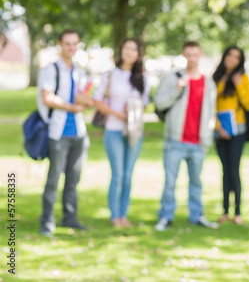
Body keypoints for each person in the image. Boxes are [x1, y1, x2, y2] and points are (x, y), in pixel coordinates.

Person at [154, 41, 218, 231]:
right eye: (188, 55)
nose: (191, 59)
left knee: (196, 182)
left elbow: (210, 111)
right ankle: (166, 216)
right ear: (183, 55)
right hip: (176, 140)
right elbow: (159, 103)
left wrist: (207, 136)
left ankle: (197, 215)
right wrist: (177, 90)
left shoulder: (208, 82)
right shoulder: (173, 78)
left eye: (195, 55)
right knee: (170, 182)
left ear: (201, 55)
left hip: (198, 142)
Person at [37, 29, 94, 237]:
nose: (71, 47)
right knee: (53, 180)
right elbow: (48, 98)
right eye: (68, 43)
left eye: (75, 44)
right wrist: (72, 107)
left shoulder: (79, 70)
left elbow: (84, 99)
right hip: (58, 132)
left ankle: (69, 217)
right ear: (60, 44)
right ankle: (47, 221)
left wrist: (85, 101)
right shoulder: (50, 70)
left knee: (73, 180)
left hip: (79, 132)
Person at [93, 38, 151, 227]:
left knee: (128, 174)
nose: (130, 52)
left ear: (138, 54)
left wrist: (133, 110)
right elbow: (98, 101)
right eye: (127, 48)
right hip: (113, 129)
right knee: (117, 174)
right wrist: (117, 113)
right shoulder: (111, 74)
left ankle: (124, 214)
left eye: (134, 49)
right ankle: (114, 216)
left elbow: (144, 103)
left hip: (134, 131)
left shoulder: (143, 77)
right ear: (121, 51)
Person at [212, 46, 249, 225]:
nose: (232, 59)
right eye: (230, 55)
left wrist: (238, 86)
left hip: (238, 130)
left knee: (234, 169)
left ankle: (237, 211)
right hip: (219, 130)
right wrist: (217, 127)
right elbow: (209, 105)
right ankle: (225, 210)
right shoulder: (215, 78)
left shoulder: (242, 78)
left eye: (236, 57)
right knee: (224, 170)